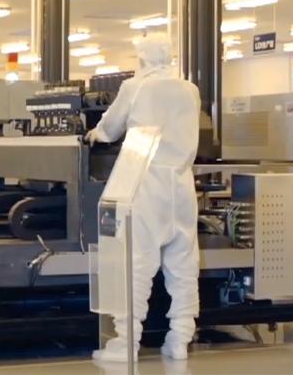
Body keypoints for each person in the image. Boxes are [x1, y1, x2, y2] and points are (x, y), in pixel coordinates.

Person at [86, 33, 201, 362]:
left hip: (145, 181)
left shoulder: (135, 87)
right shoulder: (190, 90)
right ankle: (180, 339)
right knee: (183, 262)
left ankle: (126, 344)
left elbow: (110, 127)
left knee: (135, 262)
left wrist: (95, 134)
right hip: (182, 181)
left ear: (143, 58)